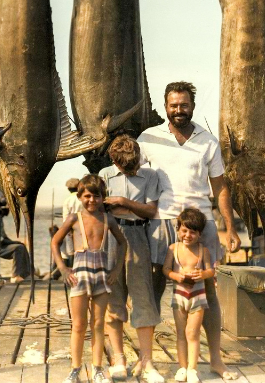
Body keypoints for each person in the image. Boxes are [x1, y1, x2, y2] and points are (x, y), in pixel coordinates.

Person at [137, 81, 241, 381]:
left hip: (202, 222)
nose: (179, 110)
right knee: (154, 287)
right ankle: (148, 360)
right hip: (161, 220)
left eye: (184, 105)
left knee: (207, 291)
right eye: (173, 105)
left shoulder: (208, 141)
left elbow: (220, 186)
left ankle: (216, 360)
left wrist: (230, 227)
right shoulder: (149, 138)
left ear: (192, 106)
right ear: (166, 106)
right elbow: (134, 176)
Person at [99, 135, 163, 383]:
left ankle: (147, 361)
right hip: (110, 237)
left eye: (134, 164)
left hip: (138, 235)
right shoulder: (104, 175)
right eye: (125, 166)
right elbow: (97, 206)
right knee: (113, 297)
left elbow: (151, 209)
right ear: (114, 160)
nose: (131, 169)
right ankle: (118, 358)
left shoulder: (150, 176)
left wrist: (124, 203)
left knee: (143, 296)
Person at [51, 175, 127, 383]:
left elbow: (123, 243)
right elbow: (55, 242)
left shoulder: (108, 219)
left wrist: (116, 269)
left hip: (101, 276)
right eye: (87, 196)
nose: (91, 200)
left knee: (98, 323)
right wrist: (63, 268)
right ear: (79, 196)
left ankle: (97, 368)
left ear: (103, 197)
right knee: (78, 324)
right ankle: (75, 369)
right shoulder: (74, 219)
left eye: (96, 196)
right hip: (80, 276)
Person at [163, 209, 215, 383]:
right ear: (178, 230)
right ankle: (182, 367)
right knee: (180, 333)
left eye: (193, 232)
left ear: (199, 234)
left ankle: (192, 369)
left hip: (198, 296)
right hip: (179, 295)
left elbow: (211, 270)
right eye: (184, 230)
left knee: (192, 332)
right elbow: (166, 269)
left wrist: (203, 274)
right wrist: (176, 276)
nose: (188, 235)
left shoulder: (203, 251)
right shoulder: (173, 249)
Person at [61, 177, 82, 264]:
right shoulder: (82, 199)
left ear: (68, 189)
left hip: (70, 227)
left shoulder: (67, 200)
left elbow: (65, 218)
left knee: (70, 251)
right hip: (82, 226)